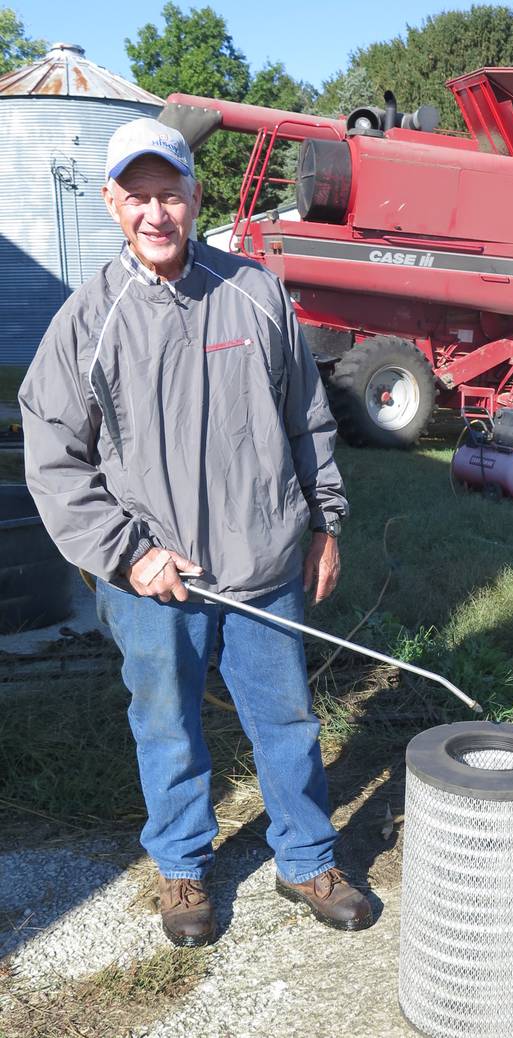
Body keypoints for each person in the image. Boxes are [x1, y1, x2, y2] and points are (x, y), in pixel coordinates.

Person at [19, 118, 373, 945]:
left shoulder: (256, 292)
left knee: (288, 721)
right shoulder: (88, 320)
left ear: (194, 196)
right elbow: (53, 460)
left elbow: (308, 422)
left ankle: (307, 859)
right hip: (158, 583)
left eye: (168, 193)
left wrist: (324, 523)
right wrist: (129, 557)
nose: (154, 212)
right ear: (112, 203)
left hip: (265, 562)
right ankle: (182, 870)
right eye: (135, 195)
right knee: (167, 725)